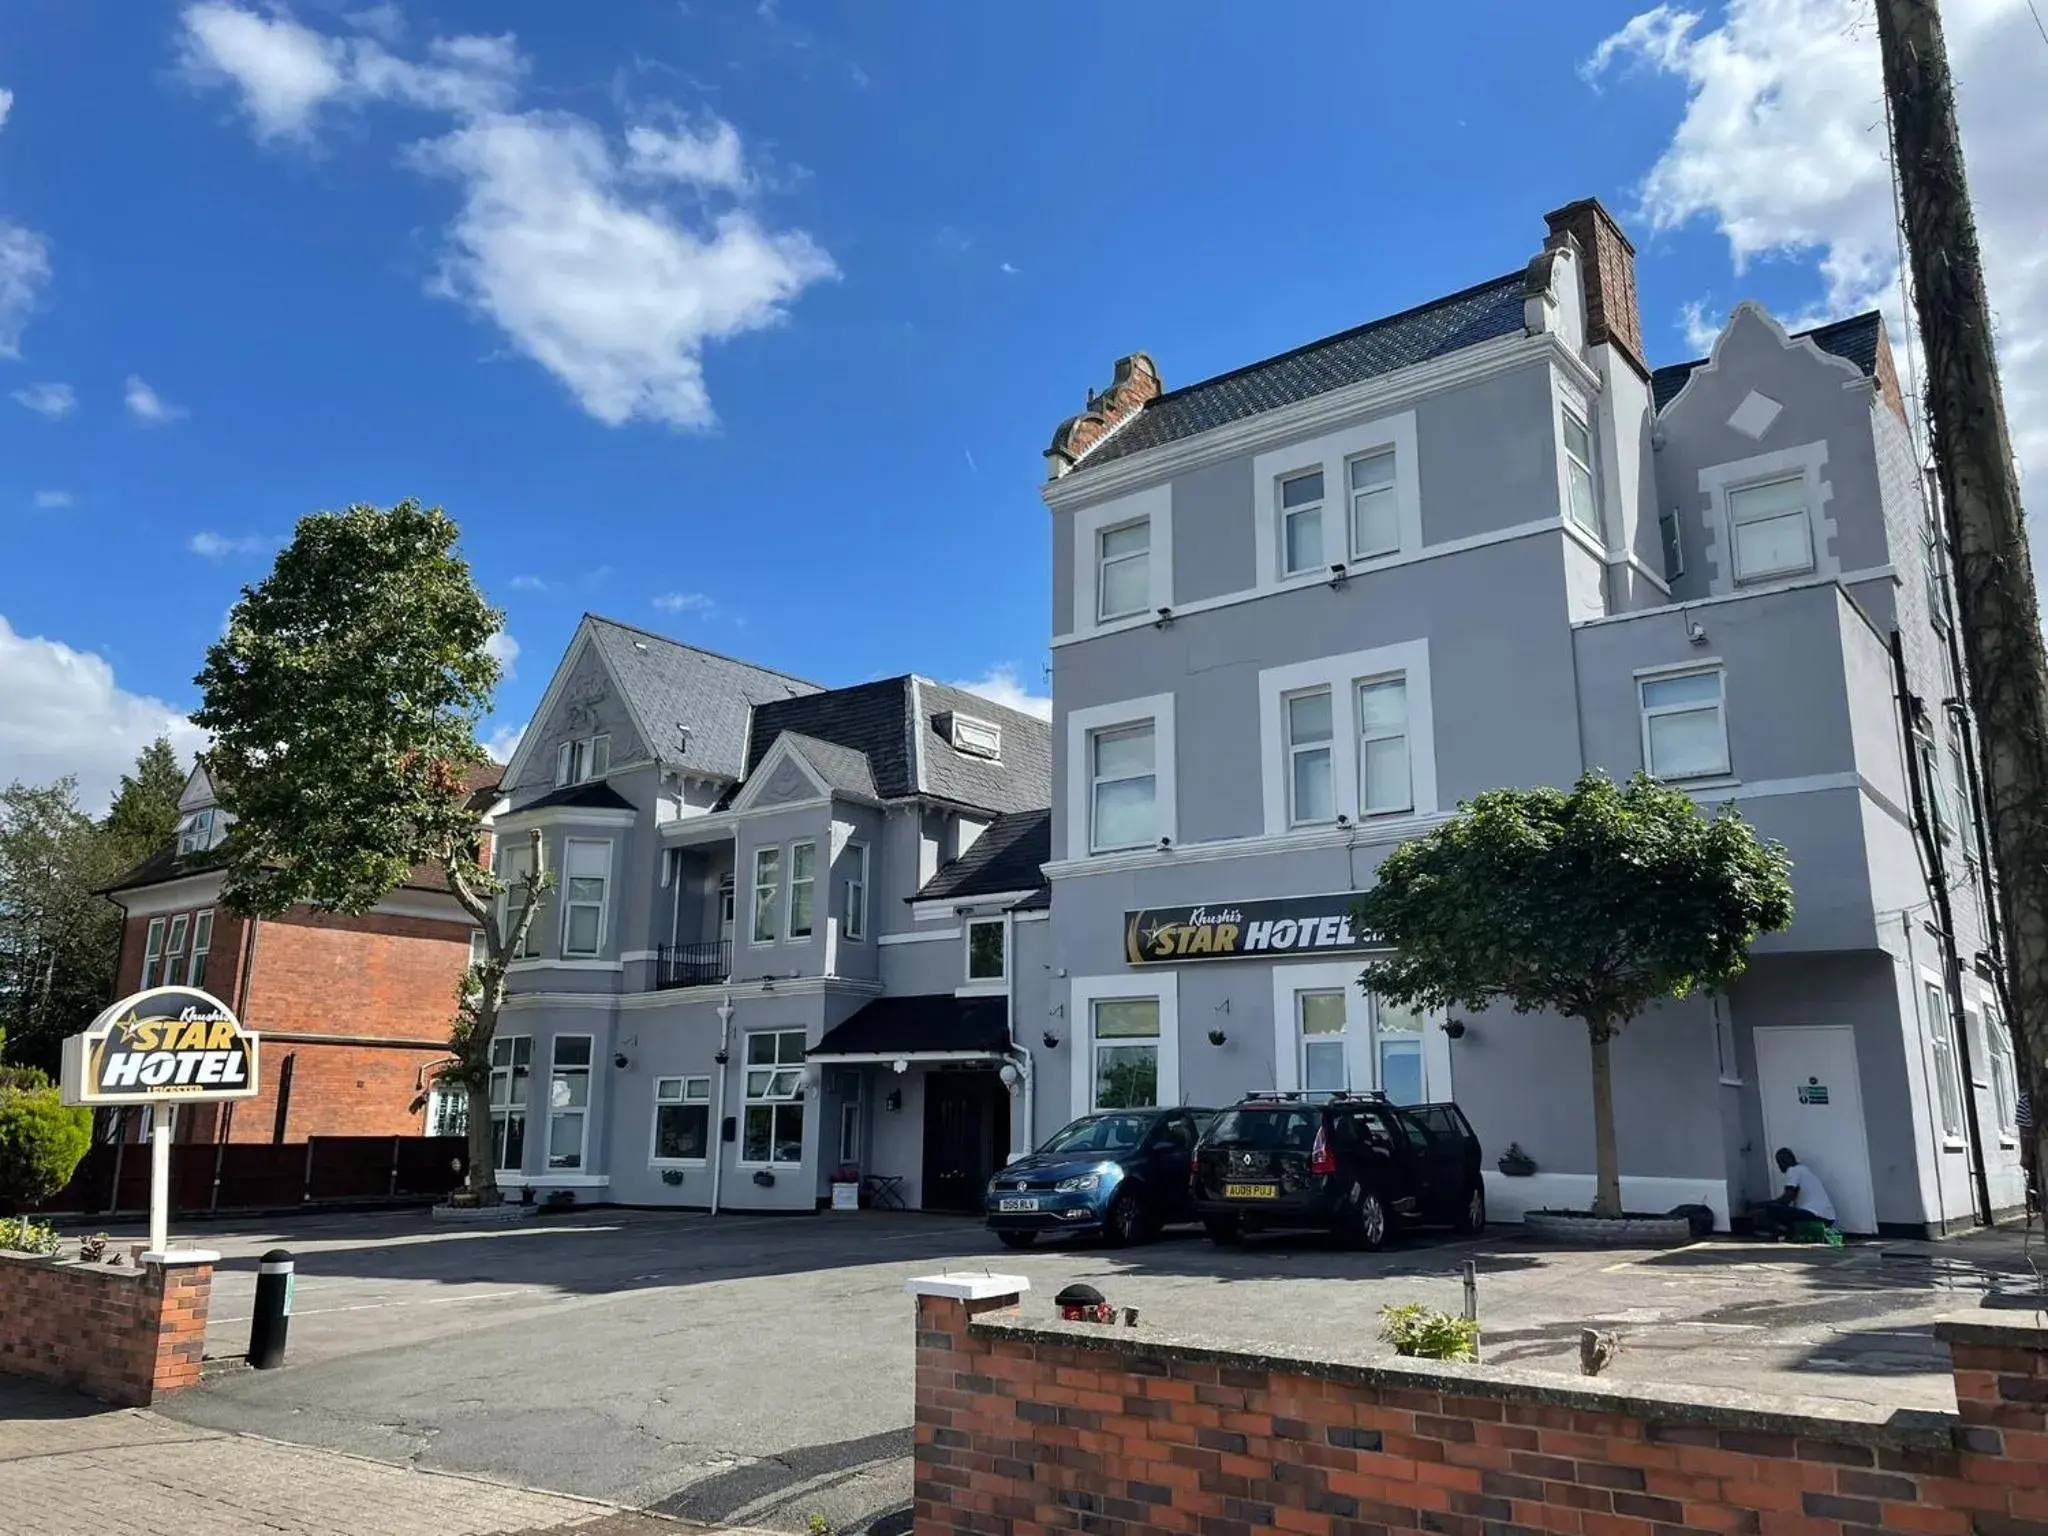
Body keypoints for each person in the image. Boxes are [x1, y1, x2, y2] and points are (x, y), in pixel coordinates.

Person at [1755, 1147, 1837, 1239]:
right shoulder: (1804, 1169)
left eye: (1779, 1163)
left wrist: (1758, 1205)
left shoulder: (1793, 1170)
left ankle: (1781, 1232)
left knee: (1773, 1209)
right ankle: (1787, 1231)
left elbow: (1785, 1200)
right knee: (1784, 1210)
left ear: (1782, 1162)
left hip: (1815, 1216)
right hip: (1828, 1219)